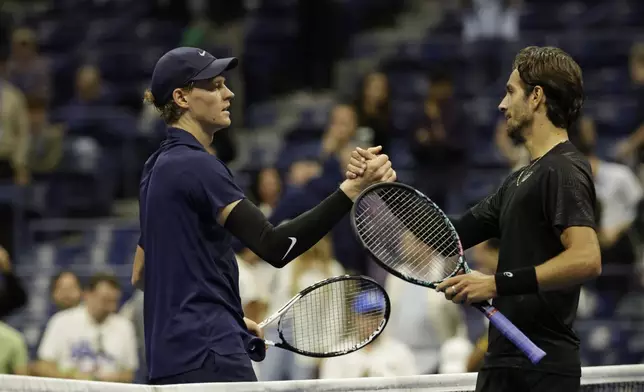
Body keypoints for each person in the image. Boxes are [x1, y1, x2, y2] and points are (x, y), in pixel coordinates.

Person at [131, 47, 396, 385]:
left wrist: (226, 316)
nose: (228, 93)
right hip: (210, 357)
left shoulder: (154, 168)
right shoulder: (198, 165)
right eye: (214, 86)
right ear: (182, 97)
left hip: (168, 360)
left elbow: (141, 273)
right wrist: (350, 191)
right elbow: (275, 246)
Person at [348, 46, 601, 392]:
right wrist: (385, 187)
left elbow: (587, 259)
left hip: (543, 367)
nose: (502, 104)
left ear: (537, 97)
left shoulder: (565, 169)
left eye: (511, 92)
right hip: (501, 362)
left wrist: (496, 283)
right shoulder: (517, 181)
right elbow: (445, 235)